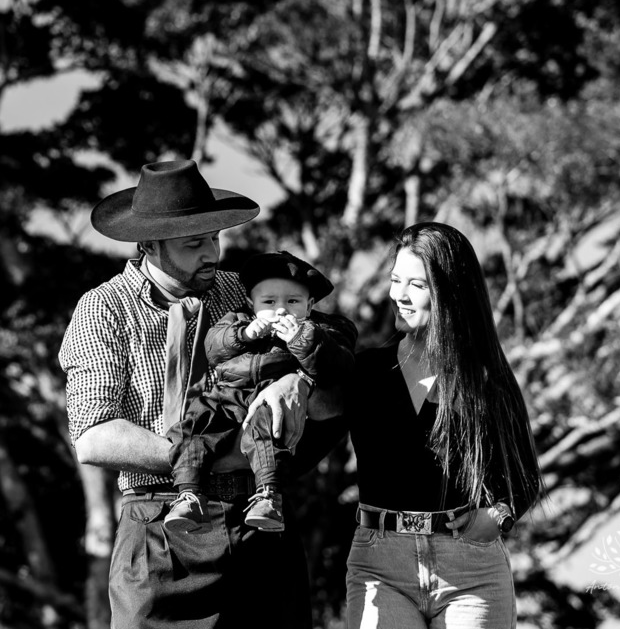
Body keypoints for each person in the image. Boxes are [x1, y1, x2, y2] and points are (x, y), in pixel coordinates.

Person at [58, 159, 346, 629]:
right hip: (159, 527)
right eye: (194, 243)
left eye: (215, 237)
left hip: (260, 523)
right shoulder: (102, 307)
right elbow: (93, 435)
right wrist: (207, 457)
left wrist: (301, 377)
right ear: (149, 244)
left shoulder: (240, 290)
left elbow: (329, 342)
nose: (211, 251)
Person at [341, 221, 543, 629]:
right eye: (396, 280)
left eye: (416, 285)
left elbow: (523, 478)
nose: (398, 295)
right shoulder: (365, 370)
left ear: (450, 293)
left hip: (472, 572)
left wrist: (499, 514)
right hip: (380, 565)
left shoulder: (487, 379)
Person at [164, 250, 356, 534]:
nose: (281, 310)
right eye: (269, 302)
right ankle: (188, 494)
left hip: (266, 397)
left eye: (293, 301)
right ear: (251, 304)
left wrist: (301, 339)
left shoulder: (318, 329)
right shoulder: (238, 321)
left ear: (310, 304)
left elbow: (337, 364)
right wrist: (243, 334)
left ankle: (268, 496)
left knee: (266, 432)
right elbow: (213, 347)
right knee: (194, 428)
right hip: (226, 395)